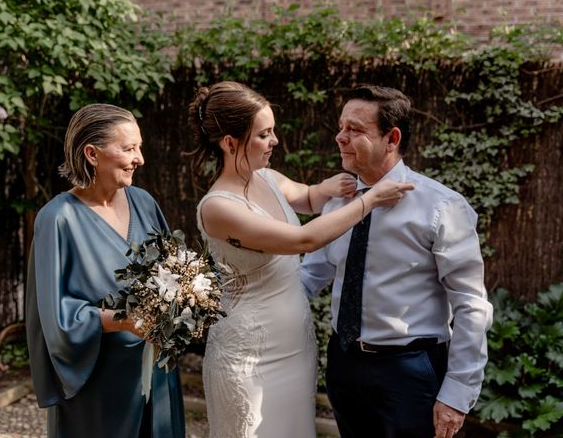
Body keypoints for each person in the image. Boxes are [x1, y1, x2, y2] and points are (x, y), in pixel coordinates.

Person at [189, 81, 414, 438]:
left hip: (294, 347)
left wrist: (329, 188)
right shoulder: (218, 208)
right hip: (249, 355)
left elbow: (307, 199)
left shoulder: (267, 177)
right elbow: (303, 240)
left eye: (273, 131)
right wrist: (369, 201)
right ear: (230, 143)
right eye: (264, 134)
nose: (275, 141)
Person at [300, 85, 494, 438]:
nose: (339, 137)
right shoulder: (338, 203)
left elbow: (470, 304)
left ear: (392, 138)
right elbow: (309, 276)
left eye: (354, 129)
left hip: (409, 372)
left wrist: (457, 393)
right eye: (341, 126)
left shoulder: (441, 207)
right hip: (343, 365)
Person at [25, 104, 185, 438]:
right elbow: (53, 319)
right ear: (92, 154)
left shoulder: (144, 202)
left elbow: (175, 271)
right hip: (98, 385)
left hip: (157, 373)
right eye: (128, 149)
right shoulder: (57, 220)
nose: (139, 158)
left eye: (138, 147)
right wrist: (123, 321)